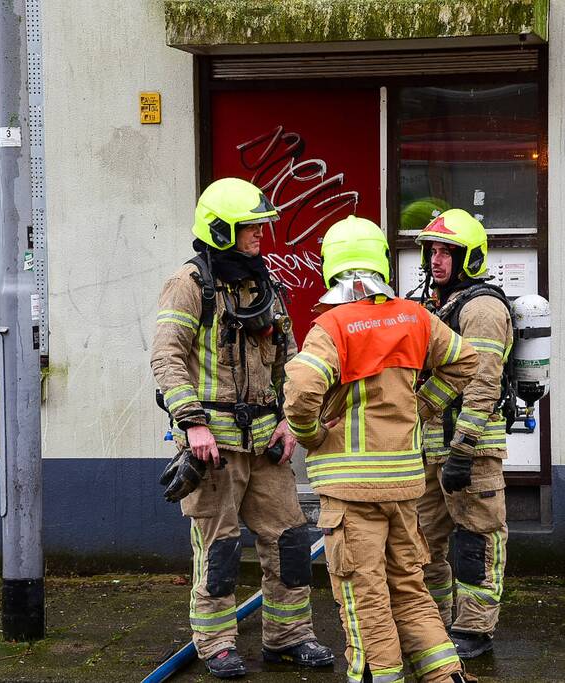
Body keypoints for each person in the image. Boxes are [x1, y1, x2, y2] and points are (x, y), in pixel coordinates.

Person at [284, 215, 479, 683]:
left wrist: (312, 436)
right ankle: (446, 676)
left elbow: (301, 392)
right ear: (381, 262)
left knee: (364, 596)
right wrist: (422, 406)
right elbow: (465, 360)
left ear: (332, 265)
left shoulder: (332, 326)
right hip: (404, 485)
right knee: (410, 589)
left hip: (351, 491)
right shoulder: (414, 317)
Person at [151, 177, 333, 679]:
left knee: (289, 540)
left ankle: (289, 637)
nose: (259, 234)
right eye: (250, 227)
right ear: (221, 230)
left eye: (259, 226)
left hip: (267, 444)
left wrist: (291, 421)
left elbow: (290, 359)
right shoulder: (188, 285)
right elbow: (166, 357)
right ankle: (216, 644)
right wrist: (193, 424)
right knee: (221, 548)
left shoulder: (262, 283)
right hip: (214, 448)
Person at [413, 209, 514, 659]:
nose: (436, 260)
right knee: (421, 542)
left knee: (476, 539)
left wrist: (463, 448)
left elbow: (483, 382)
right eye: (432, 251)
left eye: (447, 252)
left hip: (471, 451)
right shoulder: (438, 305)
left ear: (469, 258)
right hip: (431, 448)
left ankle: (474, 629)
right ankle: (430, 624)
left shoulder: (483, 309)